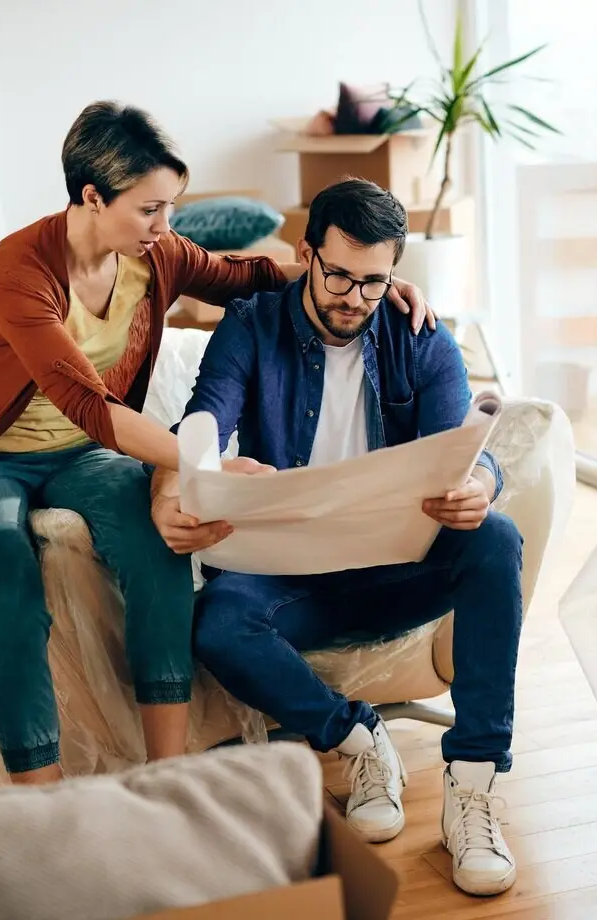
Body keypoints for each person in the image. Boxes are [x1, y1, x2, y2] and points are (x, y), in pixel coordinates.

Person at [0, 102, 433, 786]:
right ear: (92, 197)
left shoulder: (155, 259)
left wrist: (371, 283)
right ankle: (41, 800)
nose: (166, 226)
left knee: (159, 552)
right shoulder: (17, 273)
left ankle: (167, 778)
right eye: (151, 209)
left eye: (172, 207)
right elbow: (89, 405)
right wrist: (204, 464)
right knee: (9, 583)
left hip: (79, 458)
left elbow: (251, 277)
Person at [150, 178, 523, 898]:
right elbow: (204, 418)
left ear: (395, 275)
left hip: (396, 569)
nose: (353, 298)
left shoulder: (419, 334)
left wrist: (481, 483)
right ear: (305, 255)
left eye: (374, 282)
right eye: (339, 275)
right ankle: (356, 738)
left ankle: (472, 789)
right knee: (218, 623)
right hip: (291, 576)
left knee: (495, 539)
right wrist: (186, 475)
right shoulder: (252, 326)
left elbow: (462, 448)